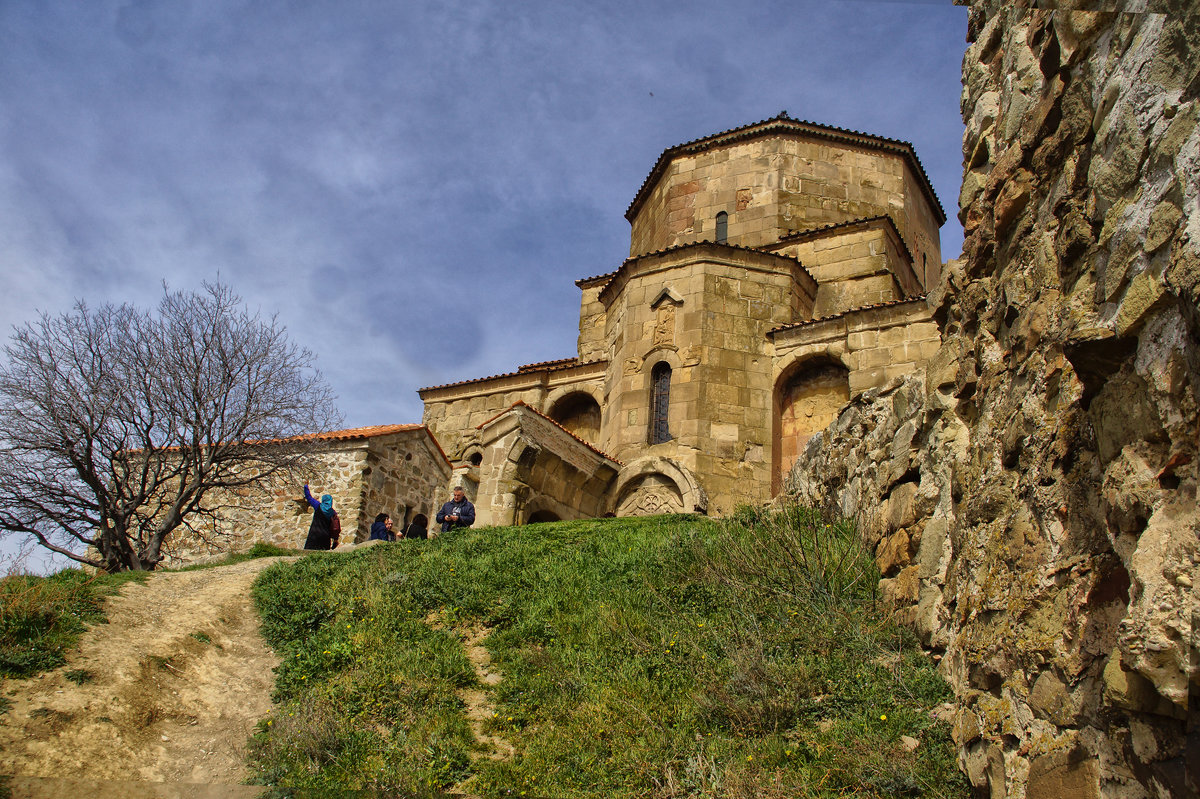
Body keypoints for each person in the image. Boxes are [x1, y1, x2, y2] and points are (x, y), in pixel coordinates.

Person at [302, 484, 340, 550]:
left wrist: (306, 486)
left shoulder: (317, 506)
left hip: (314, 535)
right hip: (325, 538)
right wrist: (335, 540)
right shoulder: (333, 513)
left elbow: (308, 497)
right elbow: (336, 527)